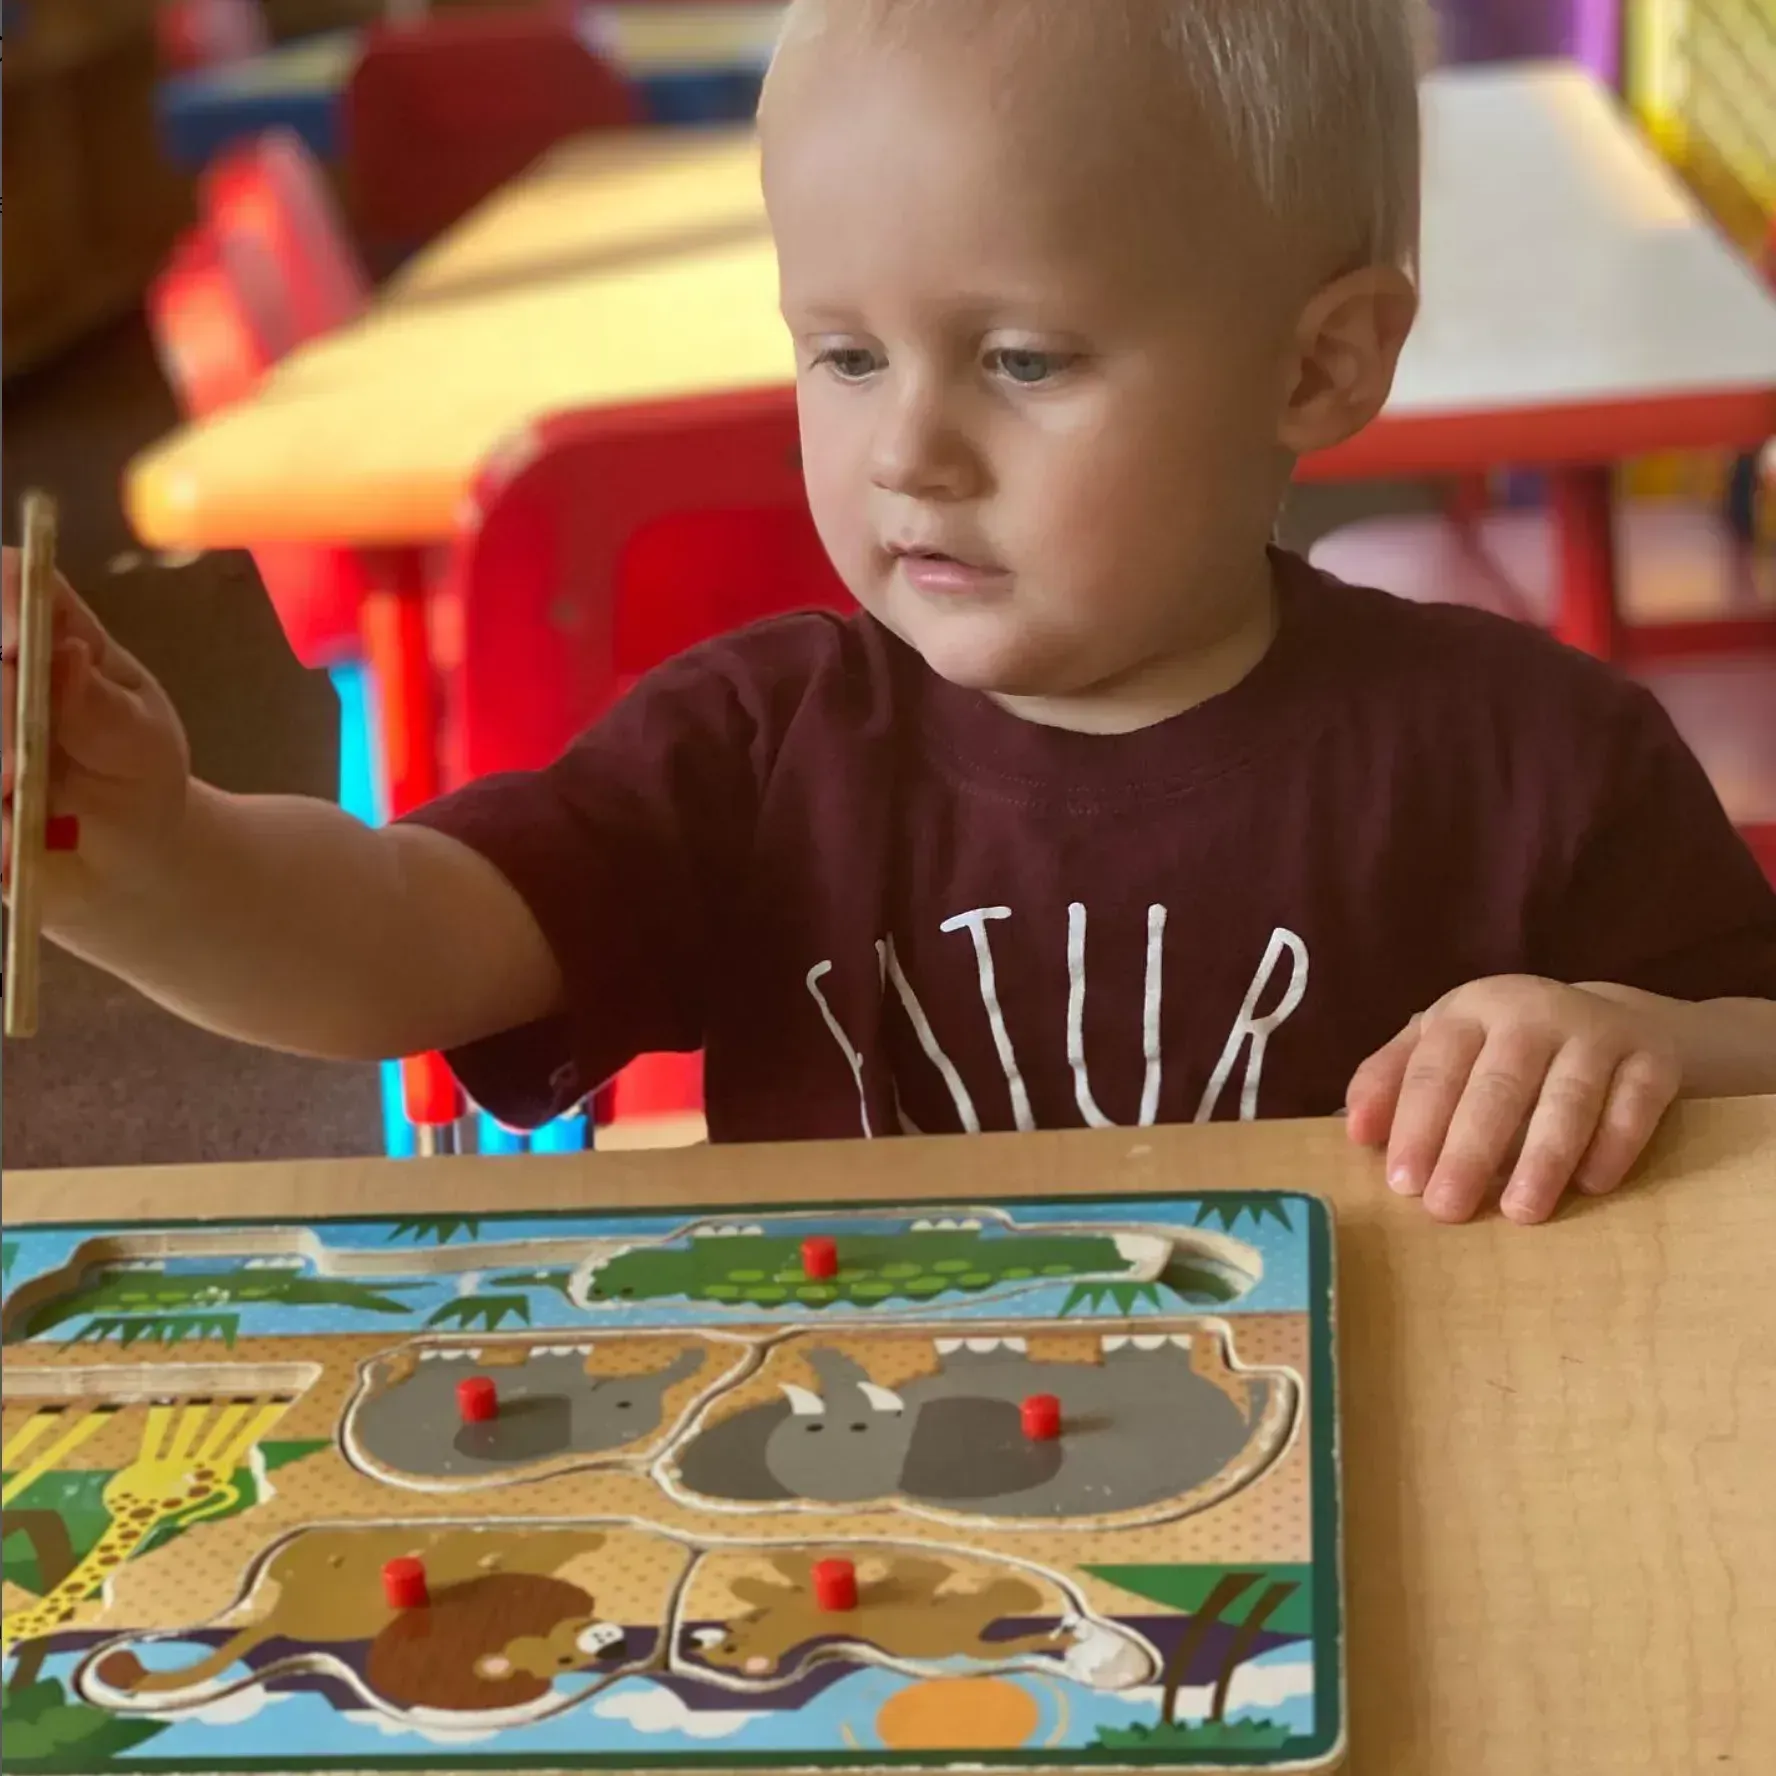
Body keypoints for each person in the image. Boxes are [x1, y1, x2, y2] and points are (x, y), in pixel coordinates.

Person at [4, 0, 1774, 1224]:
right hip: (884, 1553)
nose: (909, 449)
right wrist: (143, 853)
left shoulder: (1537, 756)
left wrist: (1640, 1048)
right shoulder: (760, 748)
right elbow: (396, 943)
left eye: (1020, 360)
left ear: (1317, 365)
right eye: (843, 354)